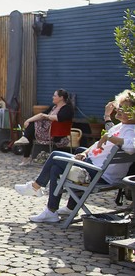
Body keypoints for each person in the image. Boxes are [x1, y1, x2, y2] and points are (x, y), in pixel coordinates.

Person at [15, 91, 135, 223]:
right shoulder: (123, 126)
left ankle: (36, 187)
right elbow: (102, 139)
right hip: (96, 166)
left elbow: (130, 147)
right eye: (120, 106)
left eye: (124, 108)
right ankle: (65, 208)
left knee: (55, 157)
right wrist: (85, 153)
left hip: (99, 173)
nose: (118, 109)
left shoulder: (130, 130)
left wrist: (108, 137)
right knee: (58, 166)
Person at [15, 89, 74, 165]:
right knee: (30, 131)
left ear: (61, 98)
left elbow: (59, 118)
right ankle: (26, 154)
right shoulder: (53, 107)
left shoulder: (67, 108)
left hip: (56, 134)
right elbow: (42, 114)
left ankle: (25, 140)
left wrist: (46, 116)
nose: (52, 97)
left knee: (31, 129)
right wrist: (28, 120)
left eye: (55, 96)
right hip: (47, 131)